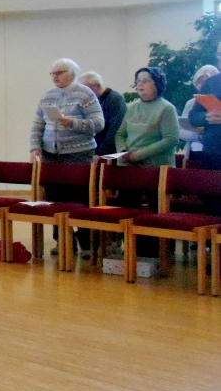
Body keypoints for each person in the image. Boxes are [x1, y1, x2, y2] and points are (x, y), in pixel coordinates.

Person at [29, 59, 104, 257]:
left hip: (78, 155)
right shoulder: (48, 96)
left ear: (71, 73)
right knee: (55, 200)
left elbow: (98, 123)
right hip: (51, 155)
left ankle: (87, 243)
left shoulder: (85, 94)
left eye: (59, 72)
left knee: (79, 199)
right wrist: (35, 147)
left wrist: (72, 123)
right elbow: (37, 124)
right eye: (52, 73)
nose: (55, 76)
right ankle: (62, 241)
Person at [115, 67, 180, 258]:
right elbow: (120, 134)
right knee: (127, 208)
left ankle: (158, 253)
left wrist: (139, 155)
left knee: (155, 212)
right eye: (138, 80)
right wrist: (123, 151)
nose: (140, 84)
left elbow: (171, 139)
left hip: (156, 170)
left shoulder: (166, 108)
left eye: (145, 80)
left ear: (157, 84)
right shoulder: (132, 107)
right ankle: (132, 249)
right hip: (129, 167)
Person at [78, 71, 127, 159]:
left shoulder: (115, 100)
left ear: (95, 87)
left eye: (85, 89)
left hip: (109, 155)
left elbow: (115, 129)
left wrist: (100, 153)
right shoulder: (91, 102)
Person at [179, 65, 219, 164]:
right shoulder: (211, 82)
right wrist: (207, 116)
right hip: (212, 152)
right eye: (219, 55)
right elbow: (194, 116)